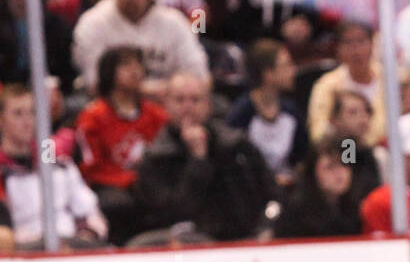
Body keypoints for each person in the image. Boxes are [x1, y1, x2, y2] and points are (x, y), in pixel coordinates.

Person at [132, 72, 275, 243]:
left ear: (208, 105)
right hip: (185, 249)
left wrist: (267, 226)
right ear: (166, 105)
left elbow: (271, 193)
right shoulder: (156, 158)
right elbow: (171, 214)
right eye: (179, 100)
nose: (188, 107)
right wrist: (198, 160)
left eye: (195, 100)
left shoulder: (236, 146)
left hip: (244, 241)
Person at [74, 45, 167, 243]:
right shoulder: (93, 117)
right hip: (108, 185)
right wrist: (126, 180)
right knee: (119, 204)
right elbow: (89, 168)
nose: (135, 70)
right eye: (125, 65)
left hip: (147, 183)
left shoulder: (155, 114)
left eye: (138, 65)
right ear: (109, 71)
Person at [0, 83, 107, 248]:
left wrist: (88, 233)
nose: (27, 121)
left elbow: (87, 210)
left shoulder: (52, 157)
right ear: (1, 120)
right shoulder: (2, 169)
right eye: (18, 114)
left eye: (32, 112)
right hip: (25, 250)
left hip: (72, 245)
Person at [72, 0, 208, 98]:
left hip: (169, 103)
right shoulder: (92, 22)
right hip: (113, 106)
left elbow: (199, 10)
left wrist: (198, 31)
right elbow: (95, 83)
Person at [226, 38, 309, 188]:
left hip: (287, 188)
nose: (293, 70)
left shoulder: (291, 111)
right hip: (251, 191)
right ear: (268, 74)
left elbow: (301, 158)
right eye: (286, 65)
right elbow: (233, 163)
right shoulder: (241, 113)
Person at [306, 20, 387, 147]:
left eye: (361, 42)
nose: (356, 51)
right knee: (348, 154)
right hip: (347, 147)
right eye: (348, 43)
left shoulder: (391, 79)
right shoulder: (327, 85)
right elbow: (318, 133)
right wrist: (340, 128)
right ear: (338, 49)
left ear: (372, 45)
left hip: (387, 151)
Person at [273, 133, 365, 239]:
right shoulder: (295, 213)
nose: (340, 173)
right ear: (313, 172)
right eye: (330, 167)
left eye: (345, 165)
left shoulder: (356, 208)